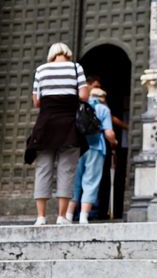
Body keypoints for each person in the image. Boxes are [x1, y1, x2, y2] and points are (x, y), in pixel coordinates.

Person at [27, 42, 89, 225]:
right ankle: (62, 217)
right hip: (69, 126)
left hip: (45, 126)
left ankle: (41, 217)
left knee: (43, 169)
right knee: (66, 170)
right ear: (67, 54)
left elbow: (36, 102)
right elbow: (84, 96)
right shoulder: (76, 68)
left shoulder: (41, 70)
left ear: (51, 55)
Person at [66, 88, 118, 224]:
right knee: (91, 181)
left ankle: (69, 215)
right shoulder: (103, 109)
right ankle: (84, 216)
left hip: (76, 147)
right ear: (103, 98)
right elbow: (109, 133)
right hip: (95, 148)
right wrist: (114, 142)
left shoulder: (77, 106)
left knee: (74, 182)